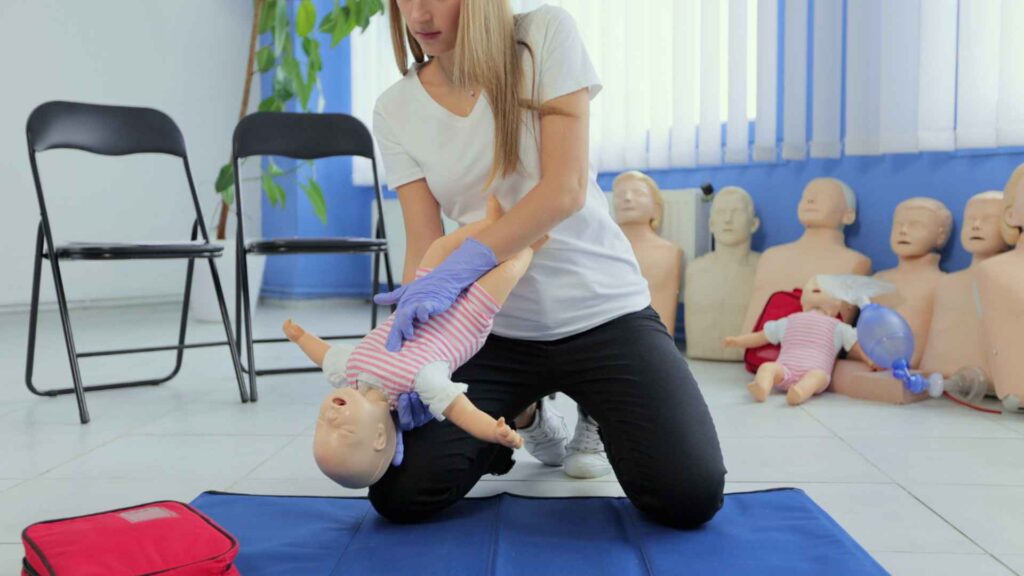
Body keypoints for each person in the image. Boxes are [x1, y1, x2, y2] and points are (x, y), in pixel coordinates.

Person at [368, 0, 725, 528]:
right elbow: (423, 240)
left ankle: (598, 412)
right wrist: (410, 357)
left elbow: (564, 191)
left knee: (688, 495)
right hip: (491, 333)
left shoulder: (541, 38)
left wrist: (463, 264)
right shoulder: (395, 108)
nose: (418, 13)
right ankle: (527, 413)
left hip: (604, 317)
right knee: (398, 492)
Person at [284, 197, 530, 489]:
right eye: (343, 429)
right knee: (506, 271)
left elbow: (327, 356)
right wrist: (493, 431)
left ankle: (490, 225)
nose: (330, 415)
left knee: (438, 249)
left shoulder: (353, 373)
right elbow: (461, 411)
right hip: (465, 319)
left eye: (322, 424)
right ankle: (532, 240)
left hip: (420, 300)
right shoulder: (416, 384)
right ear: (378, 437)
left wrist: (302, 338)